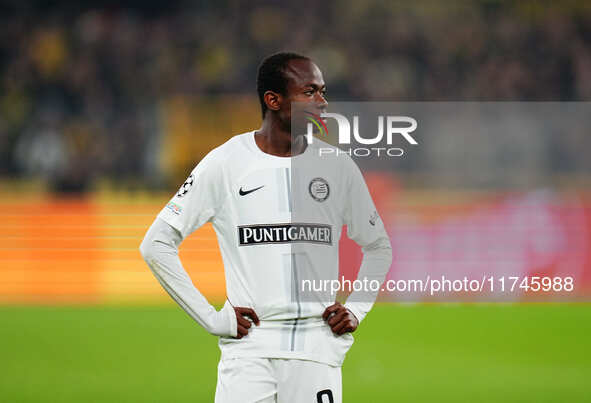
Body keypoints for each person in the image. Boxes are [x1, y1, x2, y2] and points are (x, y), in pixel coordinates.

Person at [139, 52, 392, 403]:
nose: (322, 102)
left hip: (315, 354)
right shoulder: (226, 162)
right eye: (309, 92)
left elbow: (378, 246)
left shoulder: (338, 168)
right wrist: (212, 319)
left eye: (323, 91)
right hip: (248, 355)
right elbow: (156, 244)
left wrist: (358, 308)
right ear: (273, 100)